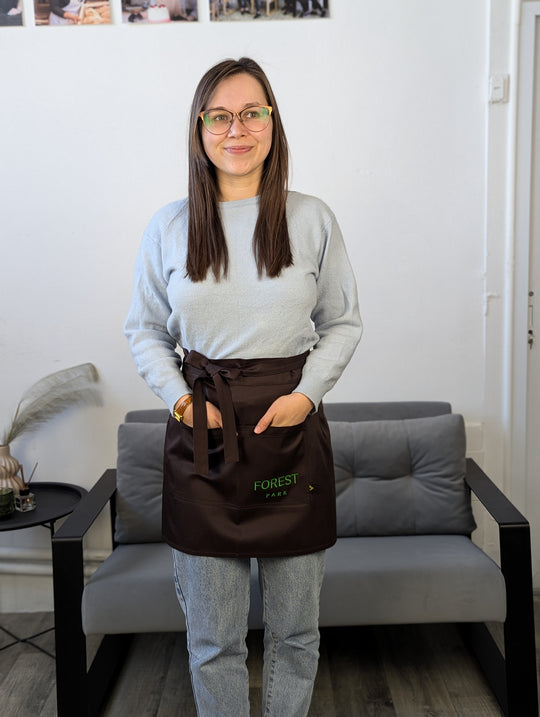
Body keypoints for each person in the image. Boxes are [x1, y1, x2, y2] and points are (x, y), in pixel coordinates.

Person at [124, 57, 362, 717]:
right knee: (212, 638)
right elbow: (143, 328)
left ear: (273, 123)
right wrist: (180, 400)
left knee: (295, 631)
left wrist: (306, 395)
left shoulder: (311, 219)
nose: (238, 128)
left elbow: (342, 323)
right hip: (203, 438)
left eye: (253, 112)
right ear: (200, 128)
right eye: (220, 115)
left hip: (291, 433)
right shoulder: (169, 226)